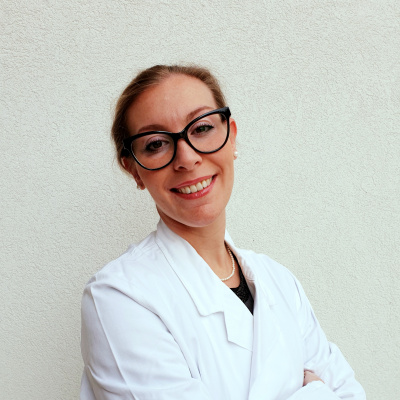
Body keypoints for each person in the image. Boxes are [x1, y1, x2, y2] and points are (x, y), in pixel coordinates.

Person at [80, 65, 366, 400]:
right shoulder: (119, 297)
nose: (187, 158)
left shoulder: (280, 282)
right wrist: (317, 392)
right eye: (156, 144)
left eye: (201, 128)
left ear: (231, 137)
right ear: (134, 170)